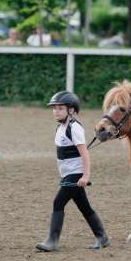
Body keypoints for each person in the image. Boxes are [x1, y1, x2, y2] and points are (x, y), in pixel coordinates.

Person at [36, 91, 110, 252]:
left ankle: (52, 241)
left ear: (72, 110)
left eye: (60, 108)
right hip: (68, 174)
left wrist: (85, 175)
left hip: (76, 174)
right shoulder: (60, 127)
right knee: (84, 207)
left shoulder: (74, 128)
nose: (56, 111)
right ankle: (102, 237)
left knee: (58, 203)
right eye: (54, 108)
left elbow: (85, 154)